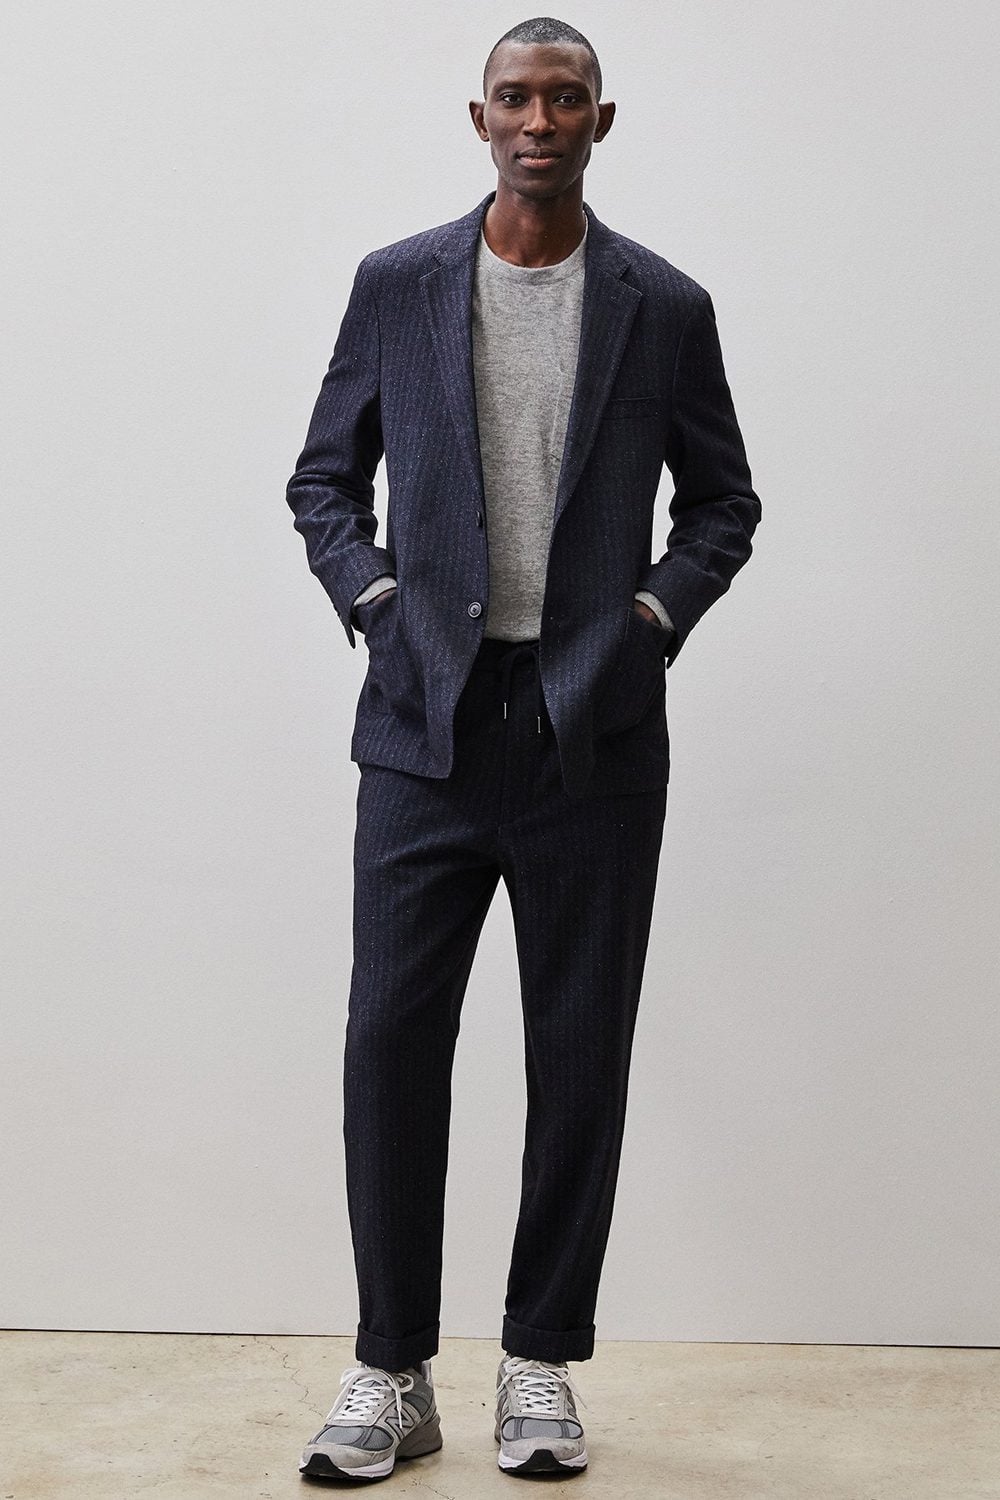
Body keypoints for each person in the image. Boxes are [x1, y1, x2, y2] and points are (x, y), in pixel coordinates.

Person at [286, 15, 761, 1483]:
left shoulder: (662, 305)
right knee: (389, 1044)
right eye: (515, 97)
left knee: (577, 1048)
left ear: (600, 122)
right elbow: (321, 480)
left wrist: (646, 624)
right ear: (479, 117)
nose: (538, 120)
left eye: (565, 99)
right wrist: (377, 605)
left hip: (592, 732)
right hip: (422, 728)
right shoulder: (400, 283)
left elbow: (724, 506)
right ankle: (391, 1369)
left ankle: (541, 1360)